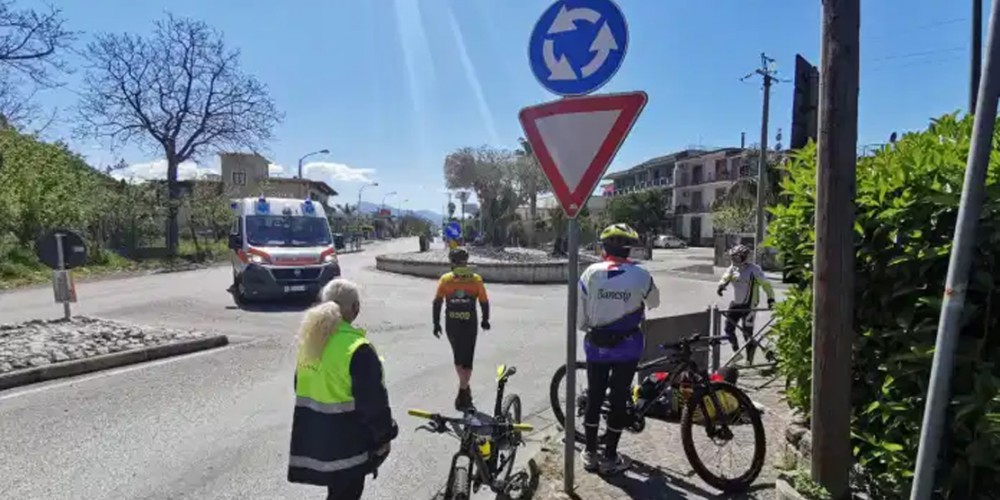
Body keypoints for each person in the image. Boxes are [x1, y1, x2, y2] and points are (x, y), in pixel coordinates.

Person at [288, 278, 398, 500]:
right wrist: (385, 435)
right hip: (348, 445)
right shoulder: (358, 349)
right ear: (355, 308)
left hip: (316, 439)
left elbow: (299, 385)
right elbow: (372, 403)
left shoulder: (310, 342)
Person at [578, 223, 660, 475]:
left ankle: (590, 453)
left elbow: (580, 316)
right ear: (629, 249)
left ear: (604, 247)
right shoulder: (642, 275)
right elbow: (654, 303)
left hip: (597, 348)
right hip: (628, 348)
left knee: (594, 396)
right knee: (618, 399)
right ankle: (610, 457)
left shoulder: (590, 272)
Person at [432, 247, 491, 411]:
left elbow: (437, 302)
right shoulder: (476, 279)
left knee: (458, 358)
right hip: (470, 324)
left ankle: (464, 389)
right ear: (466, 261)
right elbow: (484, 302)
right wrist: (485, 320)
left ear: (452, 262)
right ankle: (464, 390)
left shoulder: (446, 279)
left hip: (452, 324)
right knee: (468, 359)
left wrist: (435, 323)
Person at [716, 244, 776, 364]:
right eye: (733, 257)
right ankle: (736, 352)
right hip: (736, 304)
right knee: (728, 329)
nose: (734, 260)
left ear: (744, 257)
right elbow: (725, 277)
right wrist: (721, 285)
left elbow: (766, 285)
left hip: (750, 305)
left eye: (737, 257)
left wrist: (771, 299)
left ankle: (749, 359)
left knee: (747, 334)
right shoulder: (733, 268)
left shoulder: (754, 269)